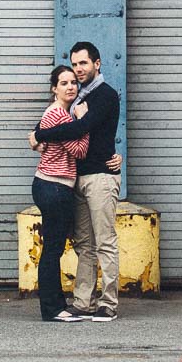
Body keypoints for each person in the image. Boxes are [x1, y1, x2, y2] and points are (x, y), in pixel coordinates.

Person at [30, 42, 124, 322]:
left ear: (98, 64)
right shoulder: (77, 97)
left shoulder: (105, 95)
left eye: (84, 63)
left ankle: (108, 303)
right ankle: (83, 301)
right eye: (75, 64)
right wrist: (38, 131)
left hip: (101, 178)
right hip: (75, 179)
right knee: (84, 243)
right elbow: (57, 121)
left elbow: (80, 129)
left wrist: (40, 135)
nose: (79, 69)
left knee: (105, 241)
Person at [31, 65, 92, 323]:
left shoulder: (57, 113)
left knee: (52, 249)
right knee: (53, 250)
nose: (70, 87)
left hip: (51, 186)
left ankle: (56, 305)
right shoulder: (61, 116)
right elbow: (79, 151)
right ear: (53, 88)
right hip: (54, 187)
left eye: (72, 83)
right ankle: (52, 309)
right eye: (64, 83)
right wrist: (84, 121)